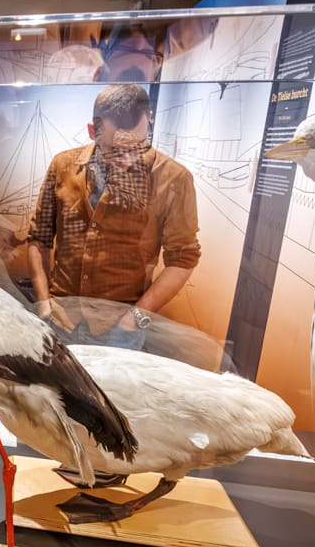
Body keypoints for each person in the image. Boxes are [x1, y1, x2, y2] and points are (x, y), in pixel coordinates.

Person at [27, 83, 201, 350]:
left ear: (149, 121)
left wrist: (136, 318)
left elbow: (183, 259)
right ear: (92, 131)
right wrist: (43, 304)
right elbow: (39, 238)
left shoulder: (174, 178)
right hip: (60, 319)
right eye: (115, 149)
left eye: (138, 145)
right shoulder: (62, 165)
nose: (127, 158)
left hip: (121, 328)